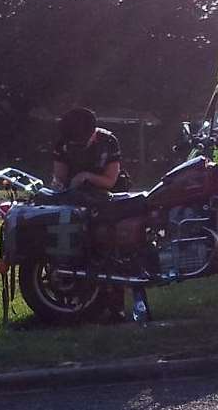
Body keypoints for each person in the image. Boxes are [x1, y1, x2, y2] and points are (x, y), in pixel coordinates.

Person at [52, 107, 128, 322]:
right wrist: (59, 186)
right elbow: (59, 178)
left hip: (107, 196)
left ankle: (115, 303)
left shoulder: (108, 142)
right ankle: (76, 294)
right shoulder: (63, 144)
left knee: (109, 244)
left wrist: (86, 176)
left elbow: (110, 181)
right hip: (75, 198)